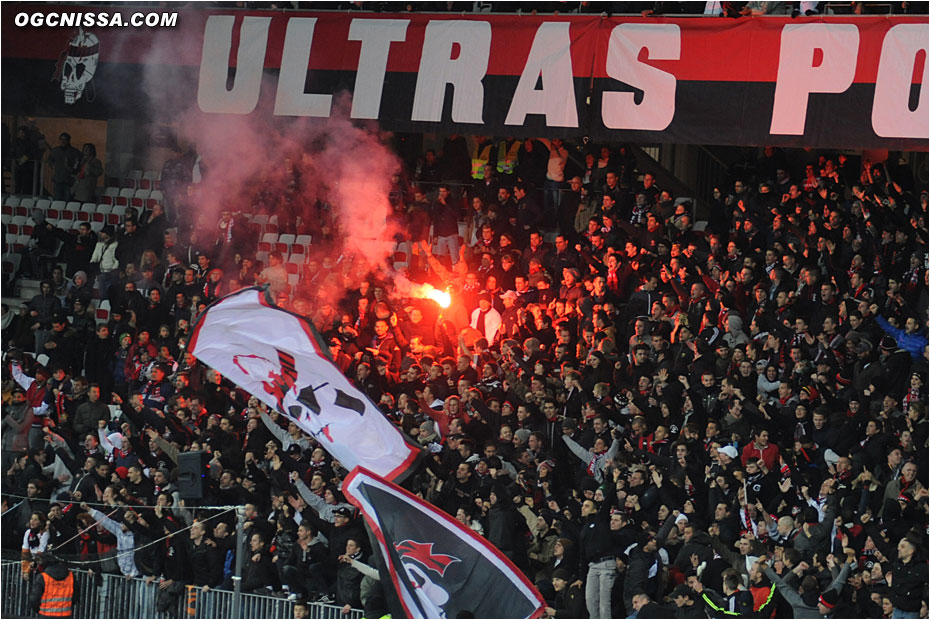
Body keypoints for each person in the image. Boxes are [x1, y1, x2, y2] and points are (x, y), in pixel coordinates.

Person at [30, 554, 78, 618]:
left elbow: (34, 599)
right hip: (65, 614)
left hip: (46, 614)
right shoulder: (71, 576)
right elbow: (76, 595)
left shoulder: (42, 577)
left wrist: (39, 610)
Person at [47, 132, 81, 200]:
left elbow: (77, 165)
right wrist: (52, 166)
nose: (63, 141)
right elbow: (49, 160)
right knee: (57, 200)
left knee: (67, 200)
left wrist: (71, 169)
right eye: (61, 139)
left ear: (68, 141)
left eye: (65, 139)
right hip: (58, 179)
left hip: (69, 181)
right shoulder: (55, 150)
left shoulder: (74, 152)